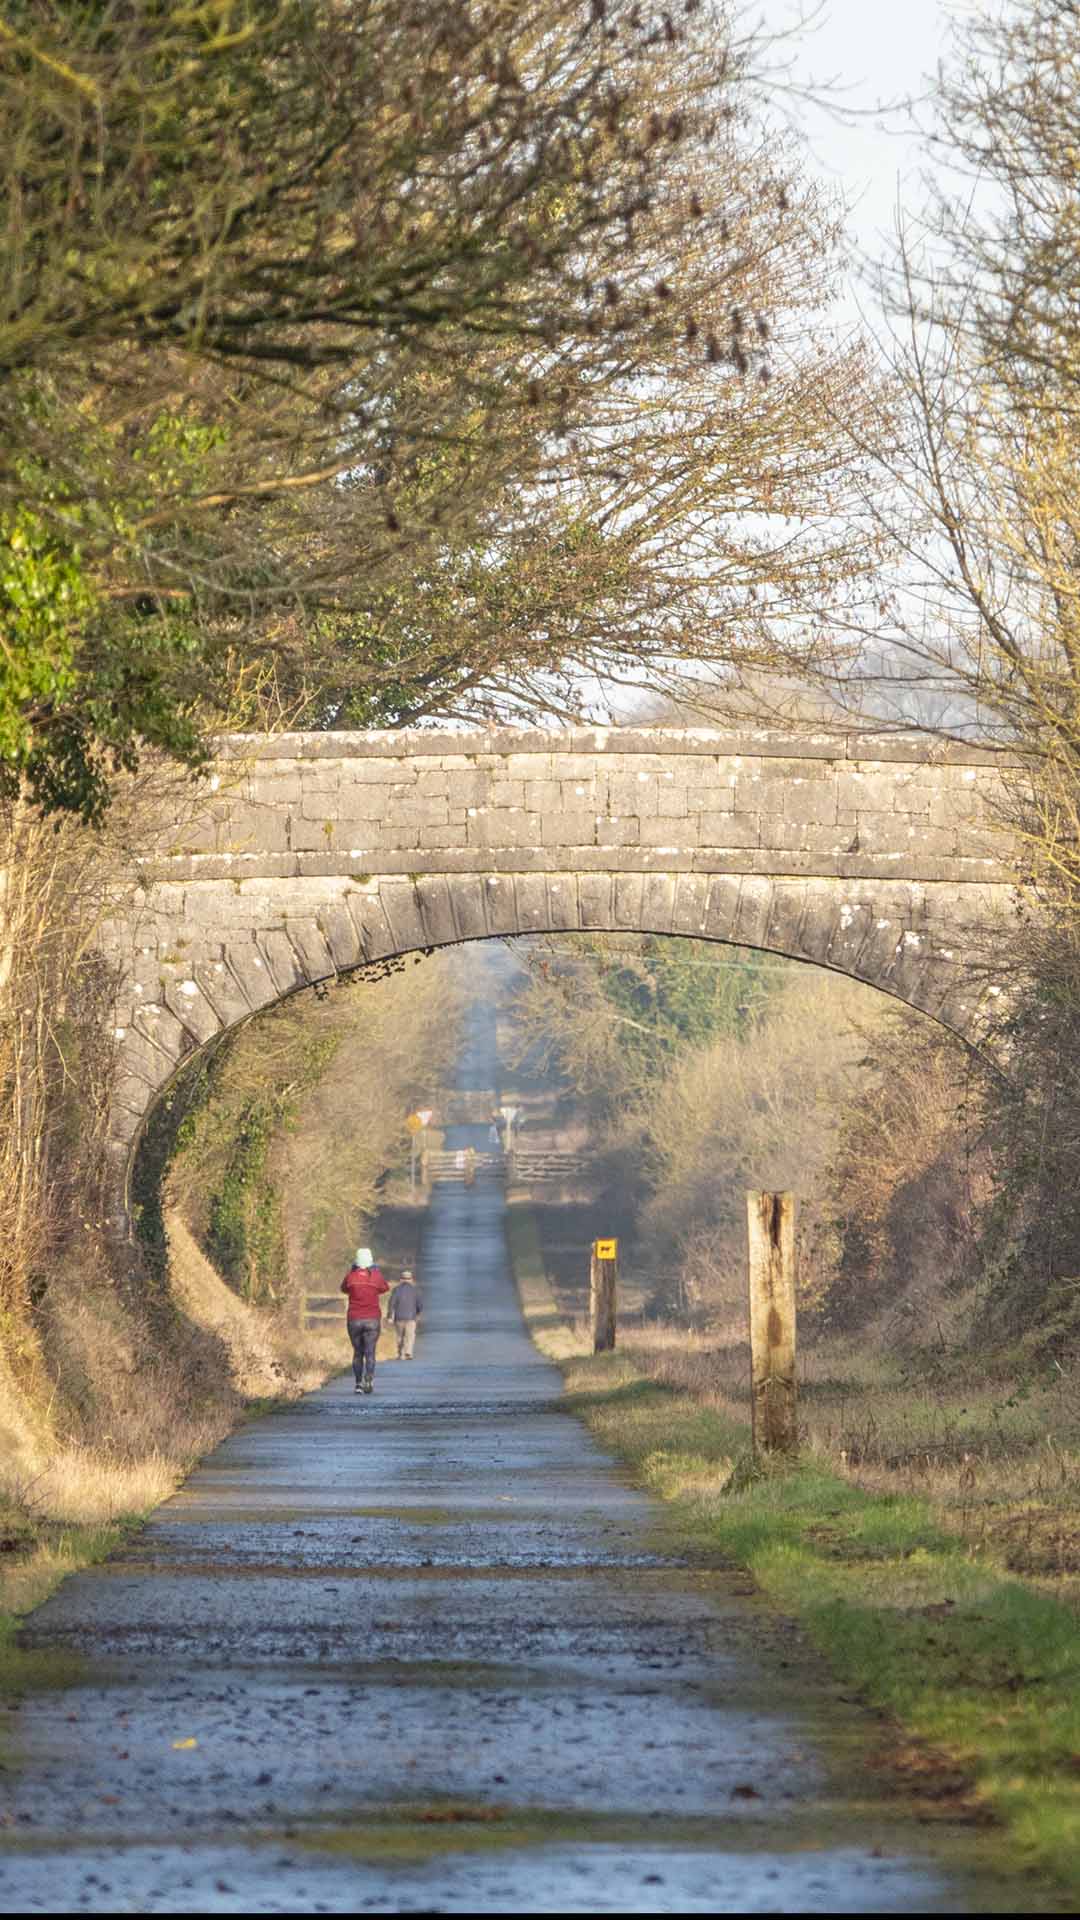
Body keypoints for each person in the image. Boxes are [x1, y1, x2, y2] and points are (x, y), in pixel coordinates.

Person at [340, 1245, 388, 1395]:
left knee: (357, 1352)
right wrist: (375, 1272)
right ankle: (370, 1380)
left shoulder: (351, 1276)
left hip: (354, 1319)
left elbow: (344, 1288)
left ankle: (358, 1384)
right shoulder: (376, 1276)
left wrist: (353, 1272)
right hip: (372, 1319)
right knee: (370, 1352)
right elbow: (384, 1288)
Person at [389, 1268, 422, 1359]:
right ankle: (408, 1352)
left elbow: (392, 1303)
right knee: (410, 1336)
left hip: (399, 1317)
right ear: (411, 1279)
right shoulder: (415, 1290)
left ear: (401, 1279)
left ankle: (400, 1354)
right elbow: (419, 1304)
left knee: (400, 1336)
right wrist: (418, 1313)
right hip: (411, 1317)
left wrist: (390, 1315)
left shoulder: (396, 1290)